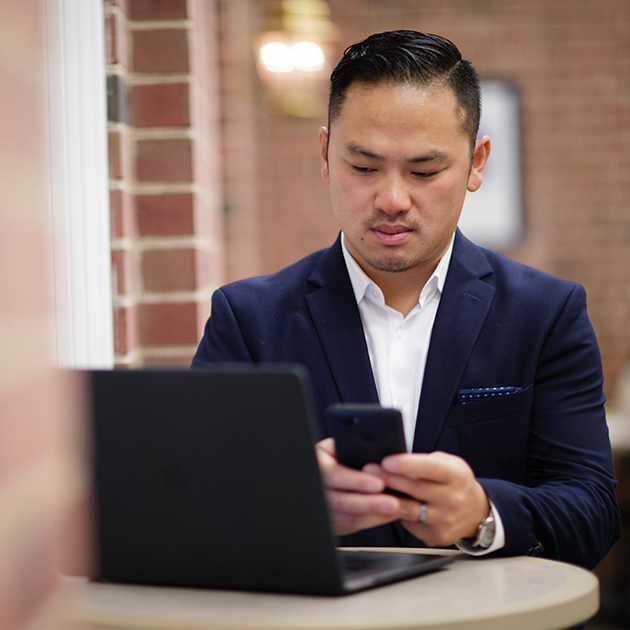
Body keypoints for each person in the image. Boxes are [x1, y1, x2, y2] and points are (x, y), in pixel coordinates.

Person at [193, 30, 620, 570]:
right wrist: (290, 504)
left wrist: (483, 513)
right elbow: (194, 511)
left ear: (476, 163)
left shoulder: (546, 314)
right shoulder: (248, 319)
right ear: (326, 155)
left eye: (424, 171)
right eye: (364, 168)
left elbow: (592, 512)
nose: (392, 200)